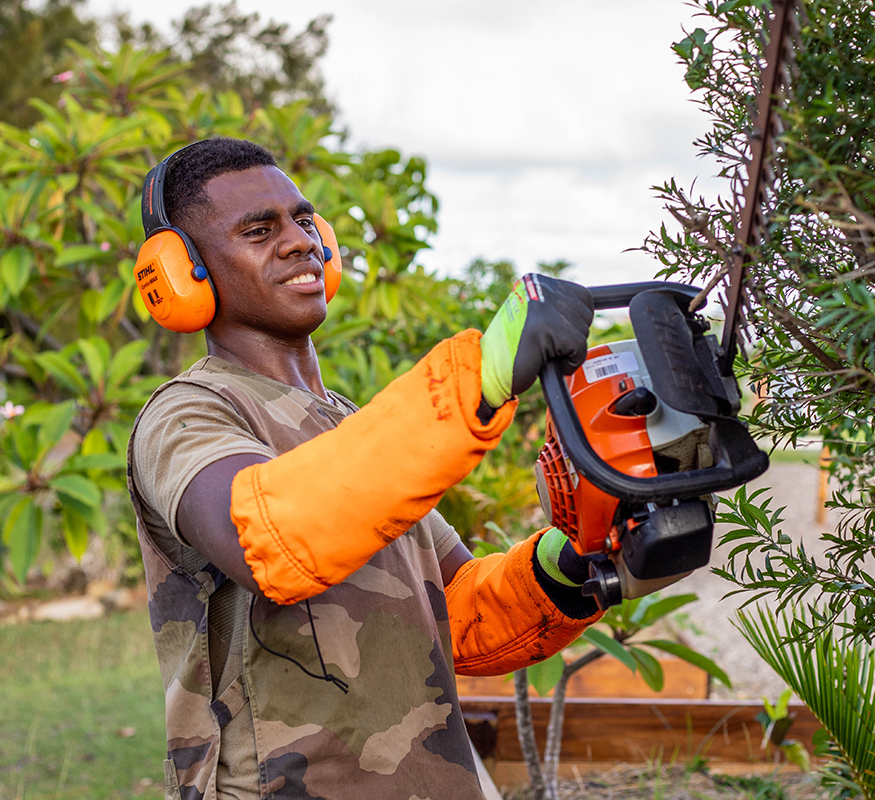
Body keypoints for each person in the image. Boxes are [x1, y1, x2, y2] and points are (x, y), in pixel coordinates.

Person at [126, 137, 605, 800]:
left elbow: (458, 612)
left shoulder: (352, 427)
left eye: (302, 220)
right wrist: (482, 376)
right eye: (258, 230)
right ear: (183, 274)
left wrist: (585, 556)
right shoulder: (185, 415)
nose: (300, 243)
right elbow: (263, 539)